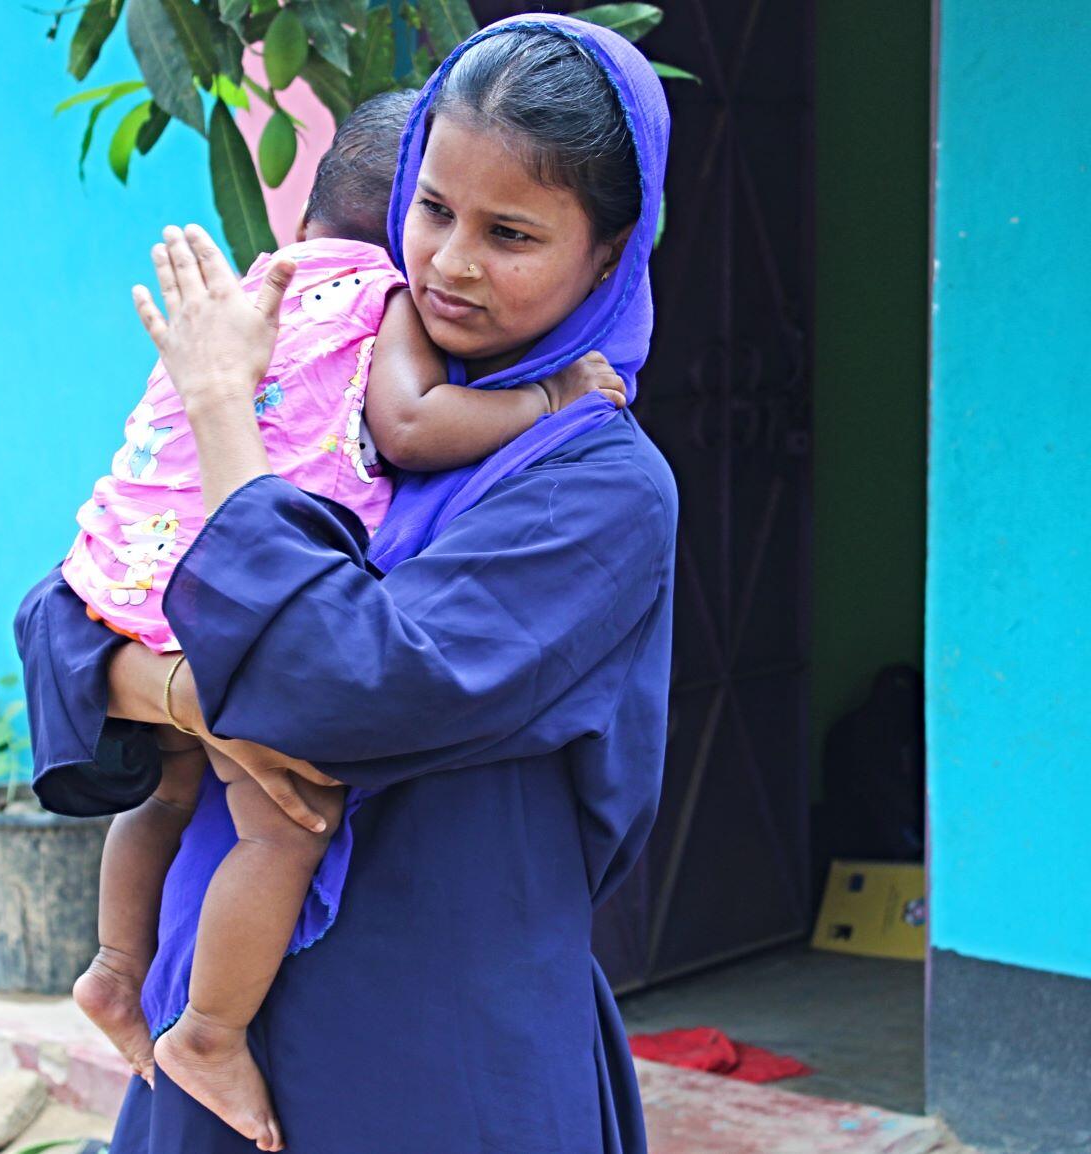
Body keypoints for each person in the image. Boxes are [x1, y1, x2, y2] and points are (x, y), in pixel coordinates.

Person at [89, 15, 677, 1153]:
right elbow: (67, 615)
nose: (452, 263)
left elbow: (347, 690)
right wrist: (179, 695)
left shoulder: (598, 482)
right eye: (435, 208)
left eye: (511, 233)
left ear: (608, 251)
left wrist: (221, 414)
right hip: (216, 1034)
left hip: (436, 1048)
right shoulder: (332, 377)